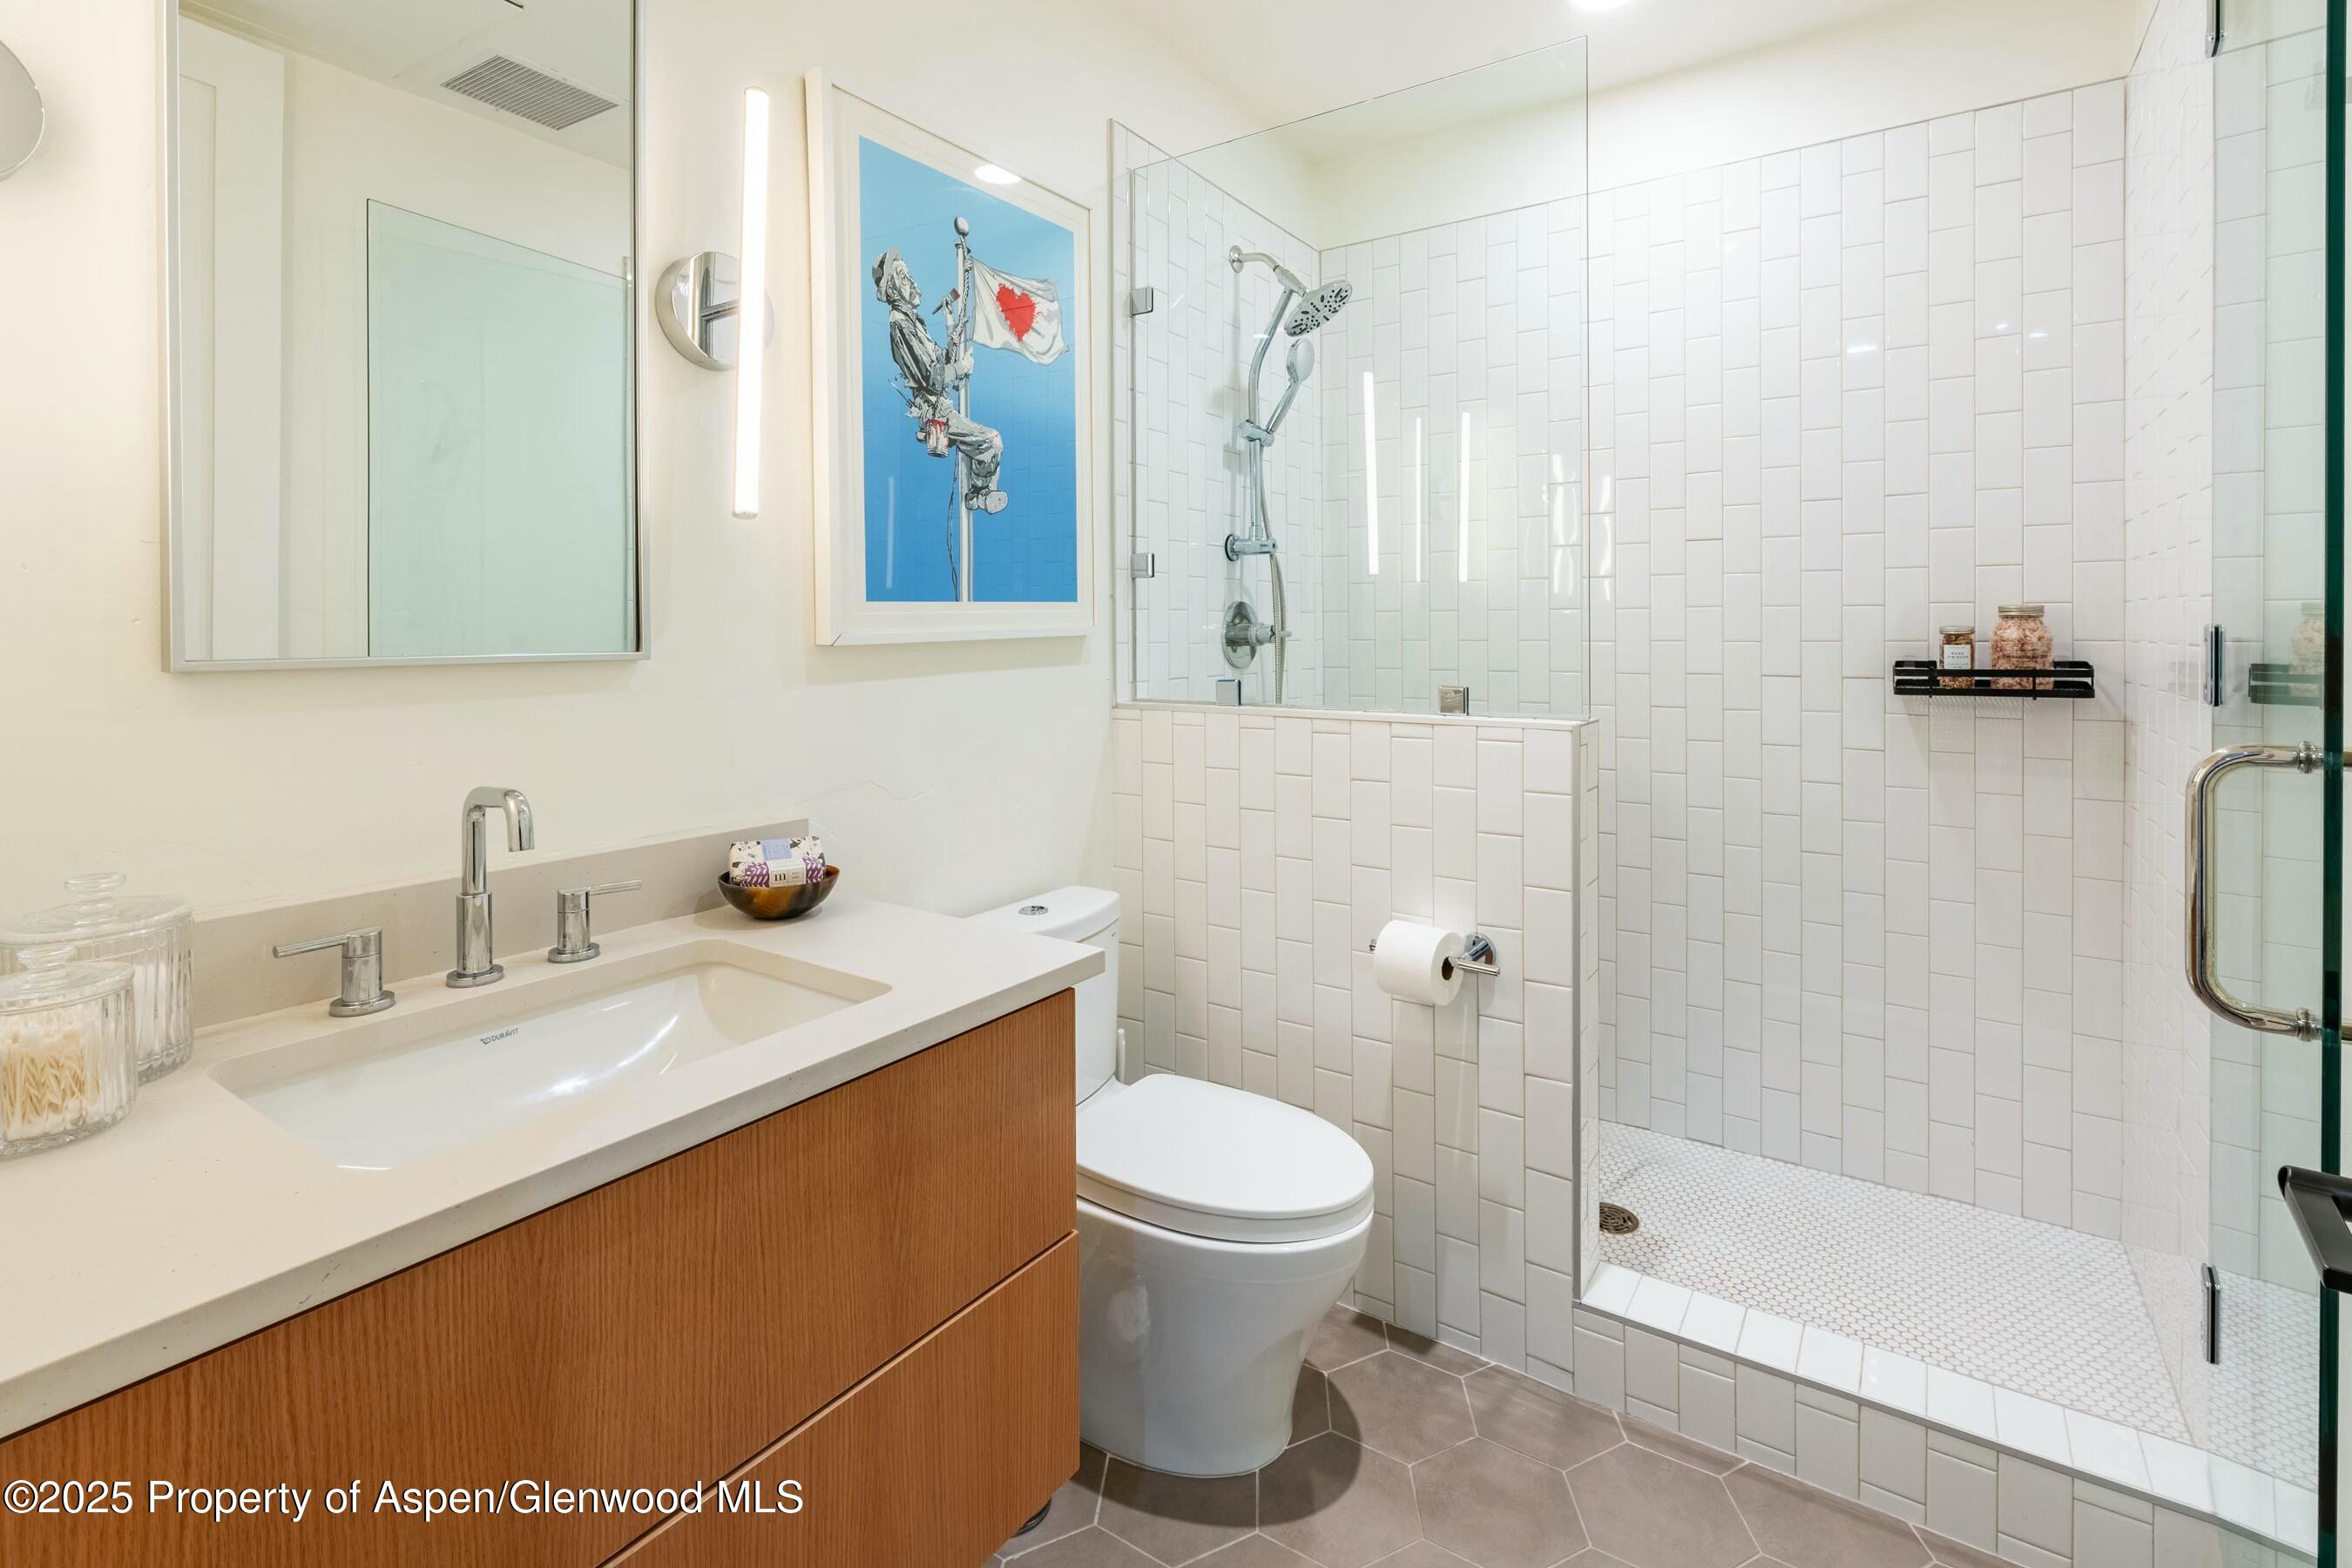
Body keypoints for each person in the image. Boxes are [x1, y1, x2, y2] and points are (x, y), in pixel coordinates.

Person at [872, 247, 1008, 514]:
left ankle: (980, 493)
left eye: (908, 274)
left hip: (941, 406)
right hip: (935, 411)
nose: (910, 281)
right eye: (901, 277)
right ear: (890, 290)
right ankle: (980, 495)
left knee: (984, 442)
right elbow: (932, 377)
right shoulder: (900, 325)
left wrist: (949, 326)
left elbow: (941, 359)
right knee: (992, 441)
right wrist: (961, 368)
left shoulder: (915, 322)